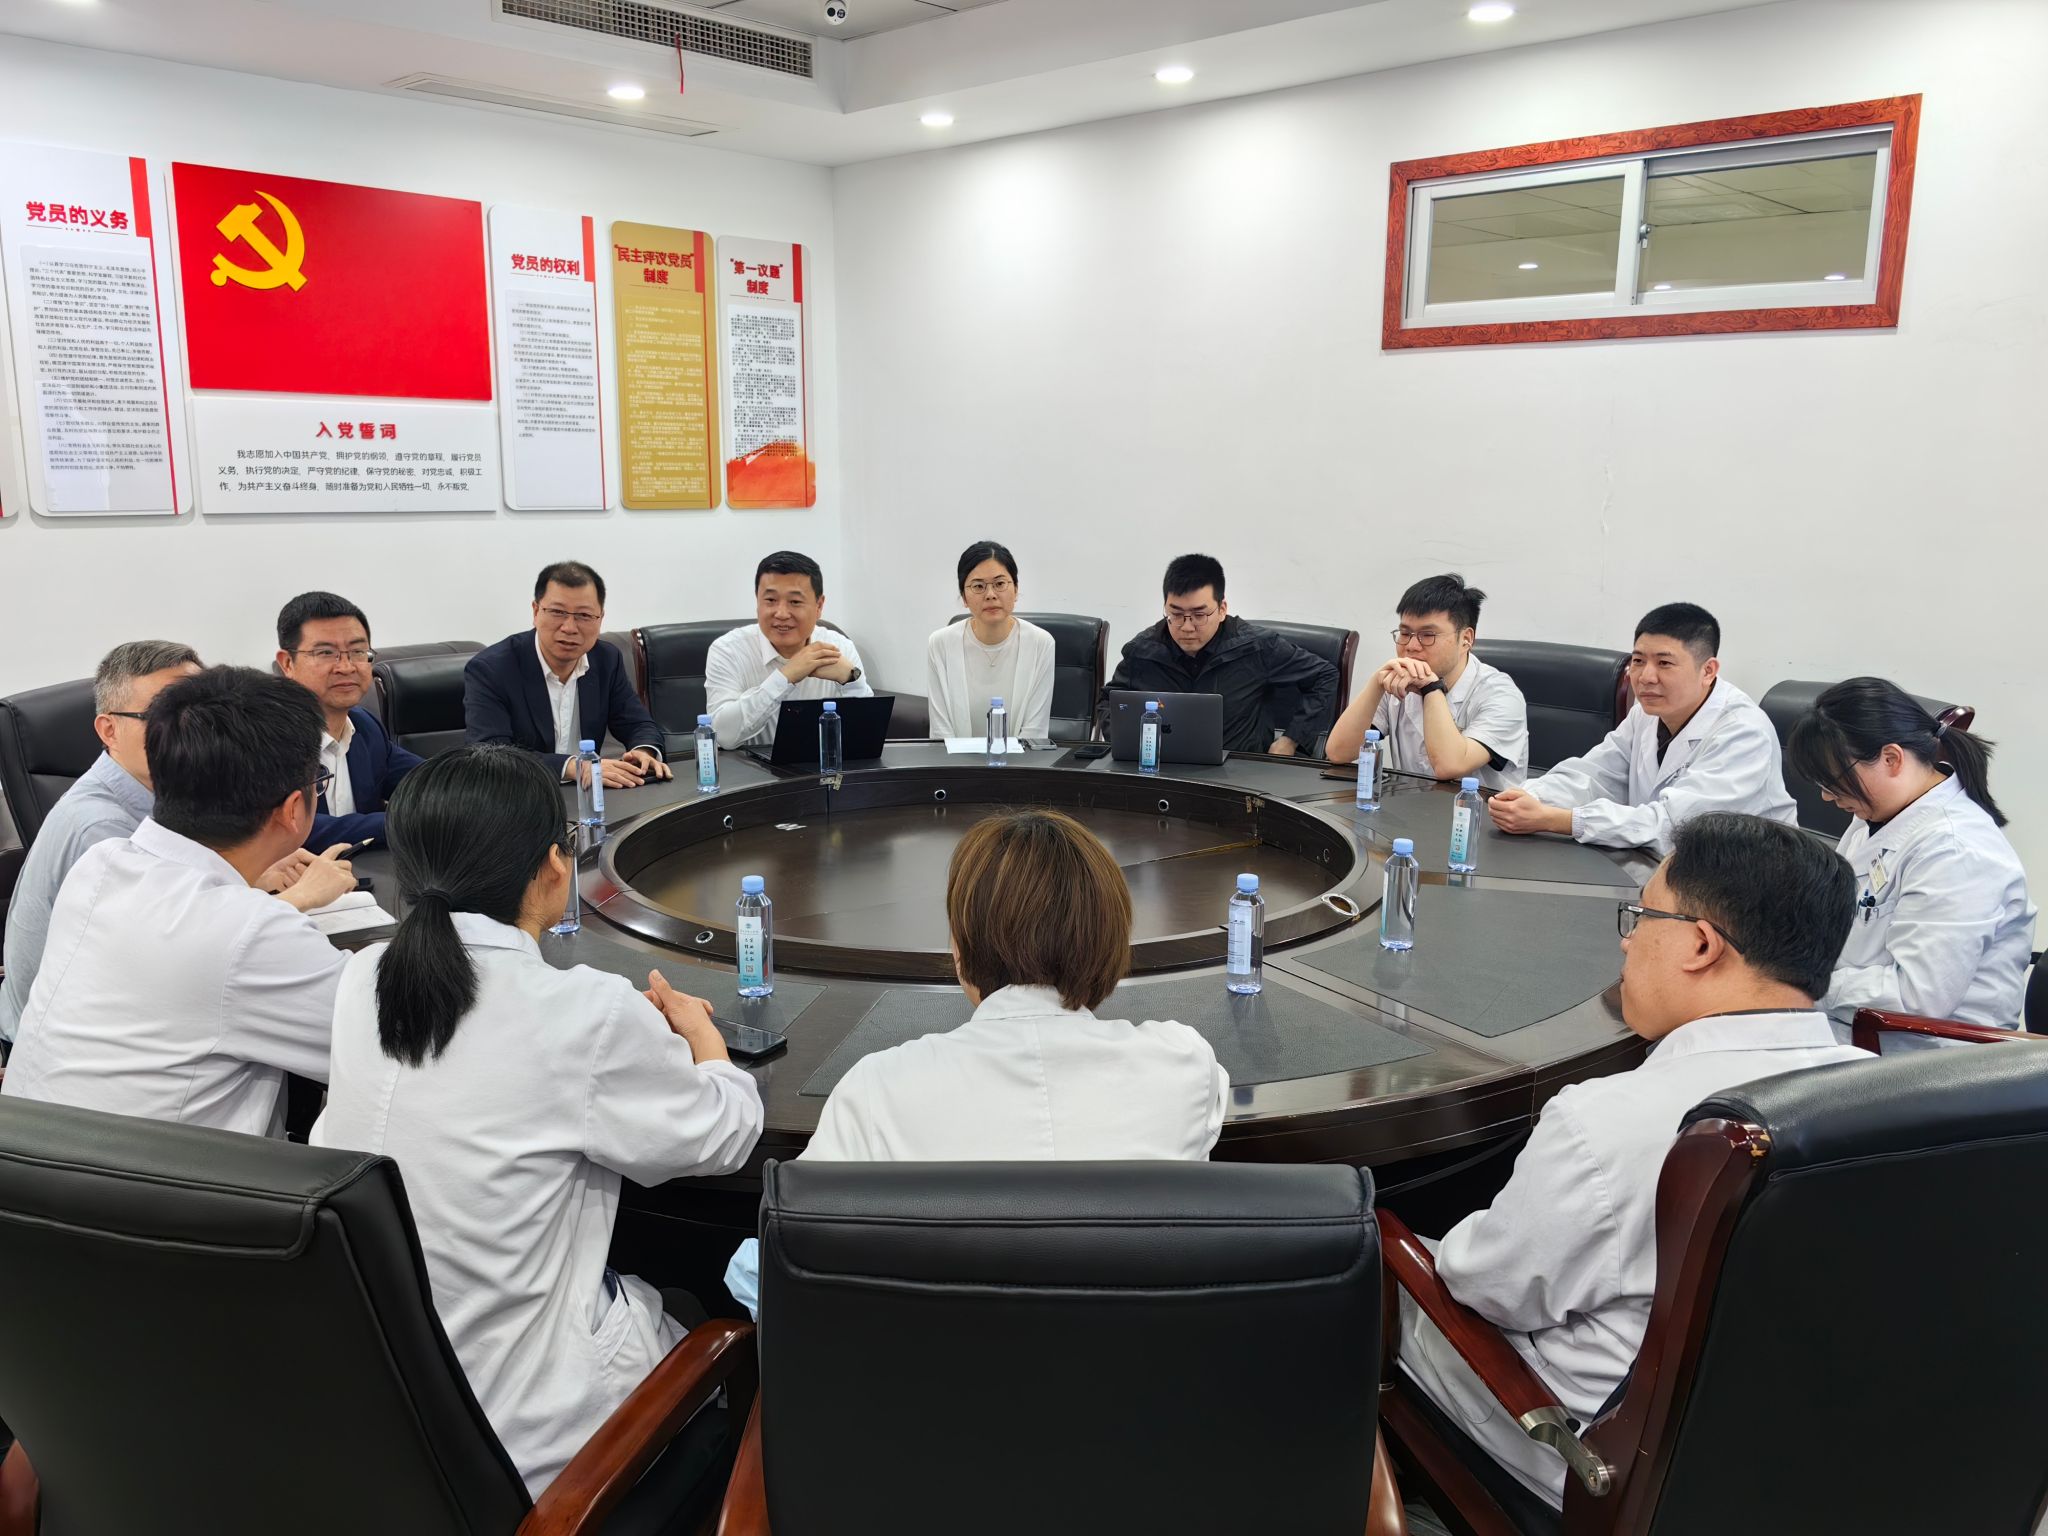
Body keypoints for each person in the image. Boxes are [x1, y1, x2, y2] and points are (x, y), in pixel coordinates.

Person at [311, 746, 762, 1499]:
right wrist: (703, 1043)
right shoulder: (583, 1010)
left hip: (379, 1415)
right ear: (555, 866)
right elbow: (723, 1137)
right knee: (711, 1324)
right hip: (538, 1449)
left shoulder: (366, 976)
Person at [1396, 813, 1869, 1509]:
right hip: (1807, 1461)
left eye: (1642, 916)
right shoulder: (1886, 1096)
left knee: (1385, 1259)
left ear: (1701, 944)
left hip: (1607, 1469)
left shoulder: (1608, 1122)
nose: (1626, 939)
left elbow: (1482, 1286)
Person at [724, 807, 1229, 1315]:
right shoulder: (1184, 1066)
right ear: (1112, 945)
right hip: (1141, 1365)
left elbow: (776, 1275)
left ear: (960, 950)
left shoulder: (880, 1090)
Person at [1, 668, 358, 1136]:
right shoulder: (249, 932)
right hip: (158, 1179)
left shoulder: (101, 866)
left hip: (36, 1159)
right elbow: (388, 1041)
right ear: (293, 809)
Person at [1788, 677, 2033, 1045]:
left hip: (1929, 1055)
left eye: (1833, 781)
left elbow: (1916, 997)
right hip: (1852, 1026)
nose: (1826, 796)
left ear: (1891, 758)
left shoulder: (1956, 850)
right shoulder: (1876, 817)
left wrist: (1803, 984)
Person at [0, 641, 201, 1048]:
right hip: (60, 1049)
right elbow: (170, 956)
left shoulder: (169, 792)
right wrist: (291, 901)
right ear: (109, 730)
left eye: (203, 713)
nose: (193, 731)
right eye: (165, 715)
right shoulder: (102, 829)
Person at [1487, 603, 1794, 854]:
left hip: (1747, 882)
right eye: (1638, 660)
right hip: (1666, 868)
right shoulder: (1647, 713)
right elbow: (1593, 776)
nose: (1646, 677)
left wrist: (1560, 820)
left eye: (1664, 663)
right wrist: (1528, 796)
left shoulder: (1743, 731)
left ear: (1708, 670)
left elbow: (1677, 827)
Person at [1100, 554, 1337, 755]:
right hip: (1165, 769)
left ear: (1222, 609)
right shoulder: (1143, 651)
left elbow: (1325, 675)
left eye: (1199, 615)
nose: (1187, 627)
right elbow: (1109, 702)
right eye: (1176, 614)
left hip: (1240, 773)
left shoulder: (1256, 647)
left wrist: (1291, 739)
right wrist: (1129, 744)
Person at [464, 561, 671, 786]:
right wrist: (574, 767)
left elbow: (638, 724)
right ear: (536, 611)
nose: (569, 627)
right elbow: (491, 756)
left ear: (600, 618)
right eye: (557, 612)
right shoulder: (492, 669)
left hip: (588, 796)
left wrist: (643, 751)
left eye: (584, 615)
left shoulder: (606, 659)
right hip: (522, 796)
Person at [1326, 574, 1529, 789]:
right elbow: (1339, 753)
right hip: (1410, 805)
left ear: (1466, 639)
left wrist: (1431, 688)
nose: (1411, 646)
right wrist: (1376, 683)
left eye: (1428, 635)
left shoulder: (1500, 695)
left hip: (1477, 808)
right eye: (1405, 633)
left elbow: (1448, 766)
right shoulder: (1398, 680)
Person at [276, 590, 422, 849]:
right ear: (287, 663)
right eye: (325, 652)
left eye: (357, 651)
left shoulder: (365, 727)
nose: (346, 667)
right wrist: (410, 822)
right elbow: (294, 828)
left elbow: (429, 781)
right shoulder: (260, 738)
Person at [705, 551, 874, 747]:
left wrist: (851, 679)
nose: (782, 614)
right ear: (757, 600)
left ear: (819, 606)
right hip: (749, 765)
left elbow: (868, 732)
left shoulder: (840, 647)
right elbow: (722, 735)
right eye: (770, 600)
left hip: (824, 762)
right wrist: (785, 677)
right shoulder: (728, 650)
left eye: (795, 602)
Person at [925, 540, 1057, 740]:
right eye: (978, 586)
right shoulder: (940, 644)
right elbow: (940, 734)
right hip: (953, 760)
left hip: (1023, 760)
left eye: (1000, 584)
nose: (990, 595)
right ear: (964, 597)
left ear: (1016, 589)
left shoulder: (1041, 644)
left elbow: (1034, 735)